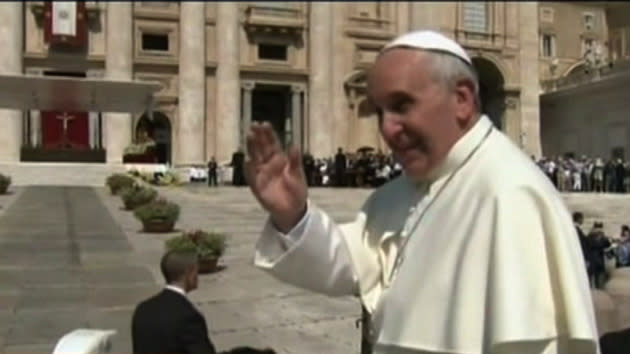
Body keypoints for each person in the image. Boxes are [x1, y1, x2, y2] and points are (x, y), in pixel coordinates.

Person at [246, 30, 599, 353]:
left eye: (402, 106)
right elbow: (353, 266)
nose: (386, 128)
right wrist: (292, 216)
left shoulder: (510, 195)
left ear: (462, 98)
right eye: (379, 111)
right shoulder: (402, 192)